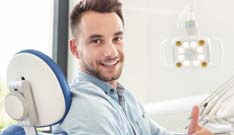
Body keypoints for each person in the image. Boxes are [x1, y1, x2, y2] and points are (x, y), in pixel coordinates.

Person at [58, 0, 213, 135]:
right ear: (75, 49)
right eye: (97, 41)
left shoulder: (123, 96)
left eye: (117, 38)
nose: (111, 52)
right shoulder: (88, 107)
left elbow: (156, 133)